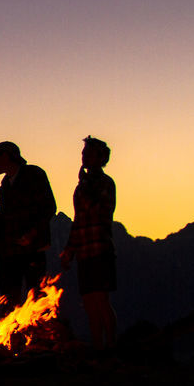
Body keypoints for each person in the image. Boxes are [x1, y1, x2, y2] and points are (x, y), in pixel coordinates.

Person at [60, 136, 118, 349]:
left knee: (101, 301)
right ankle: (97, 347)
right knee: (89, 303)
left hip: (100, 250)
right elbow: (78, 221)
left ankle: (110, 347)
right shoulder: (81, 187)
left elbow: (96, 211)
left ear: (101, 158)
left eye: (88, 153)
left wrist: (85, 182)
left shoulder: (105, 183)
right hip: (84, 252)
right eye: (83, 153)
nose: (83, 157)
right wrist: (69, 250)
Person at [0, 141, 57, 307]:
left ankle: (37, 331)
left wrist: (33, 233)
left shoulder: (34, 175)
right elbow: (1, 225)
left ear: (6, 156)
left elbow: (49, 207)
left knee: (36, 299)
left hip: (33, 250)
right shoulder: (4, 187)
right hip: (10, 254)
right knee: (11, 302)